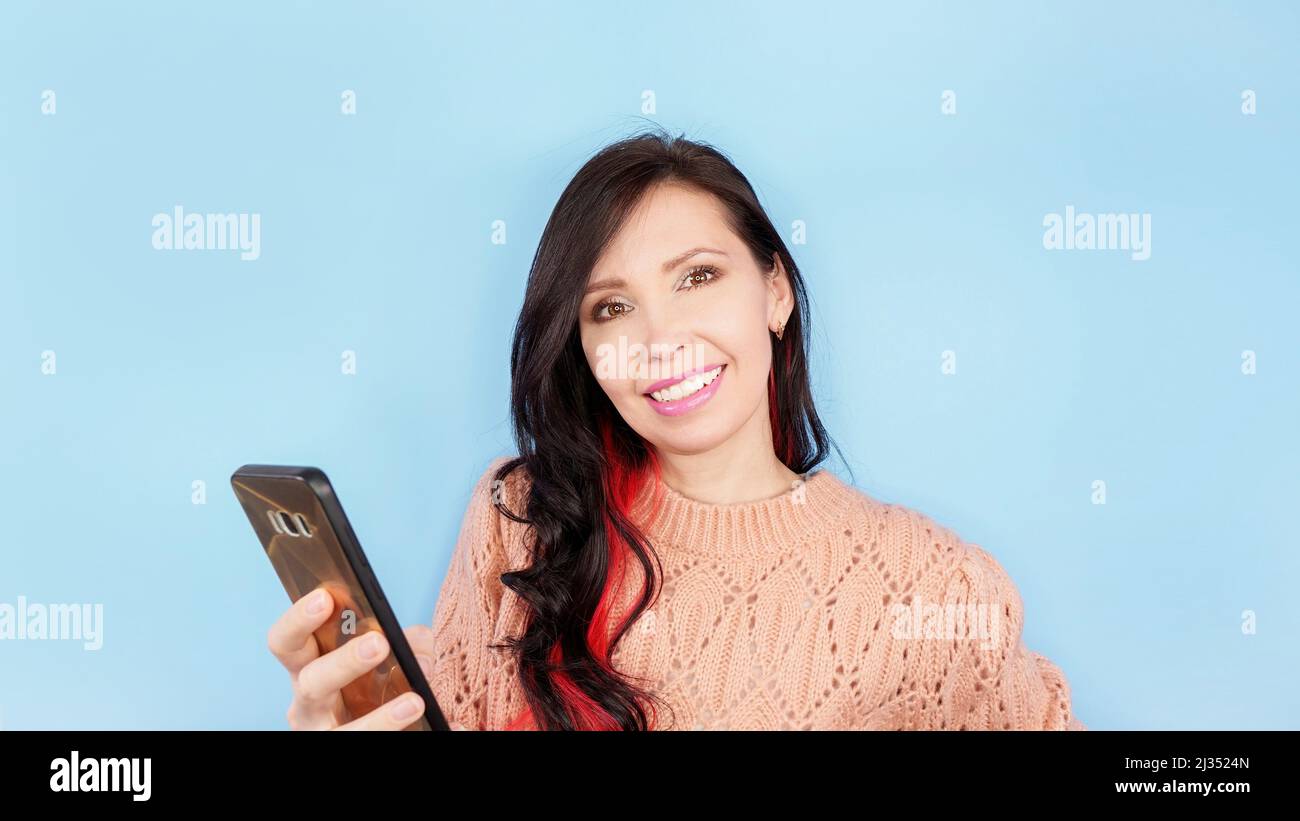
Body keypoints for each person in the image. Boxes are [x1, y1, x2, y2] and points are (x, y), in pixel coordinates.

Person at [267, 128, 1085, 731]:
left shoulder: (935, 585)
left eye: (698, 276)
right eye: (611, 307)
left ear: (775, 292)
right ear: (582, 348)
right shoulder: (522, 521)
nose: (660, 340)